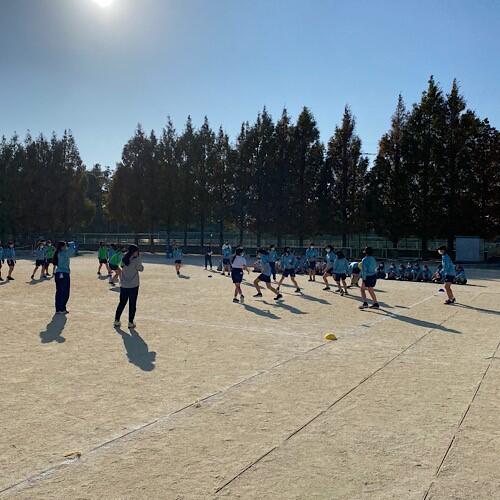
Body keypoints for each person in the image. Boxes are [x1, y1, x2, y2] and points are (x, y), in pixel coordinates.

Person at [114, 244, 144, 328]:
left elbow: (121, 265)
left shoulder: (124, 257)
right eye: (137, 251)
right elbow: (141, 269)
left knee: (122, 303)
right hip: (133, 285)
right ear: (134, 251)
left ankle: (116, 320)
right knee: (132, 304)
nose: (138, 252)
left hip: (124, 284)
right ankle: (130, 322)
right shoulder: (136, 259)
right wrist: (139, 260)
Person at [53, 241, 74, 314]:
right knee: (64, 292)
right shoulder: (65, 253)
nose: (66, 247)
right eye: (65, 246)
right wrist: (70, 243)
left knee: (59, 292)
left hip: (58, 273)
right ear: (62, 247)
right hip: (64, 274)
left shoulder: (58, 253)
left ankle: (59, 309)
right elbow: (73, 249)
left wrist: (66, 245)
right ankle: (61, 308)